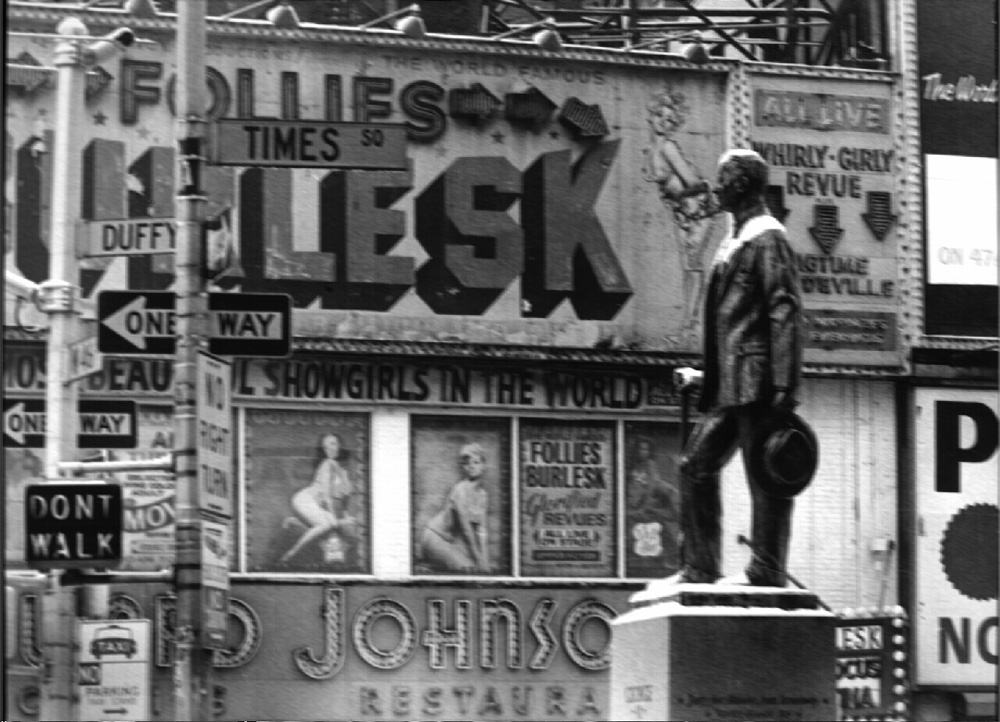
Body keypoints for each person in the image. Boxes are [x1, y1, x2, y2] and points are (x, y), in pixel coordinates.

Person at [669, 148, 804, 588]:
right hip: (731, 386)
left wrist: (784, 385)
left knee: (765, 474)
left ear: (742, 184)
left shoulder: (768, 239)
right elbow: (733, 329)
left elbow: (784, 310)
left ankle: (767, 570)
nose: (717, 187)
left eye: (723, 179)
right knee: (695, 465)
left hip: (759, 384)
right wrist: (704, 377)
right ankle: (701, 568)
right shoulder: (736, 241)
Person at [641, 90, 721, 340]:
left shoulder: (668, 148)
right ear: (651, 117)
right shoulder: (653, 150)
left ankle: (691, 329)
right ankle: (688, 328)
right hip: (684, 213)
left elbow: (694, 182)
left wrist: (686, 204)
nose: (665, 122)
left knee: (693, 267)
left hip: (697, 211)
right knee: (688, 268)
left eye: (670, 119)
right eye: (661, 116)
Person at [280, 432, 357, 565]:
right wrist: (336, 518)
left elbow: (344, 500)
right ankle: (290, 554)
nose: (330, 448)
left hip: (314, 504)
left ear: (339, 445)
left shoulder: (342, 472)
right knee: (328, 523)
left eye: (333, 444)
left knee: (332, 524)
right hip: (305, 499)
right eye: (326, 446)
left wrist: (346, 516)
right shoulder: (328, 464)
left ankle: (295, 523)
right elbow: (326, 496)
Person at [418, 442, 490, 573]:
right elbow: (466, 529)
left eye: (476, 462)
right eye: (467, 463)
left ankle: (433, 566)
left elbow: (482, 531)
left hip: (448, 542)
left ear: (484, 466)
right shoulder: (460, 490)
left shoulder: (482, 495)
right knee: (469, 569)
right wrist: (478, 559)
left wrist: (485, 561)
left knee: (479, 568)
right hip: (434, 537)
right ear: (464, 467)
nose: (472, 466)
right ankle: (430, 563)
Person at [626, 437, 680, 573]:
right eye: (641, 449)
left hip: (646, 506)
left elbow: (655, 483)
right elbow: (631, 488)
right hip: (633, 507)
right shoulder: (630, 467)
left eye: (647, 449)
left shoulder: (650, 465)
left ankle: (671, 557)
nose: (644, 452)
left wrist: (670, 491)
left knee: (663, 525)